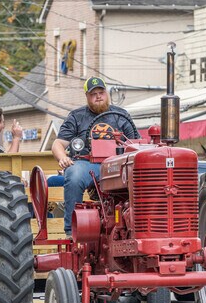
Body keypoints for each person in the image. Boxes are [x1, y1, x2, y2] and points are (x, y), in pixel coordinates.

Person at [51, 76, 140, 237]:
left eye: (101, 92)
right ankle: (72, 230)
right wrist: (62, 157)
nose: (98, 96)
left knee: (141, 177)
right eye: (94, 94)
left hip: (116, 164)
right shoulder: (76, 117)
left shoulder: (121, 115)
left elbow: (135, 142)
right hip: (87, 163)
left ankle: (138, 225)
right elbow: (57, 144)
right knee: (74, 175)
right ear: (87, 96)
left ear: (107, 93)